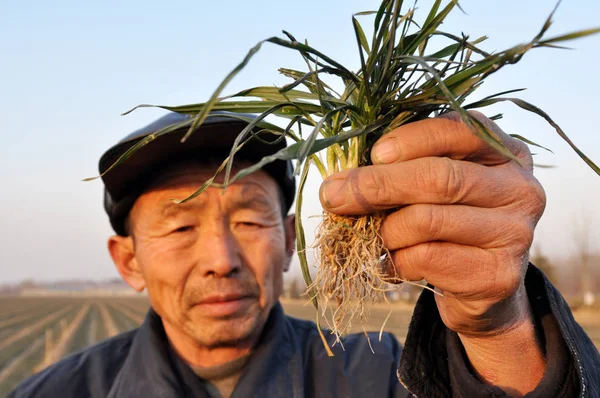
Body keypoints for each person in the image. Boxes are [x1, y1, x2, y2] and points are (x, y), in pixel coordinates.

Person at [10, 111, 600, 398]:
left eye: (248, 218)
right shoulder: (56, 394)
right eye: (181, 227)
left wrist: (497, 326)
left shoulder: (384, 377)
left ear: (291, 240)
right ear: (128, 262)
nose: (221, 257)